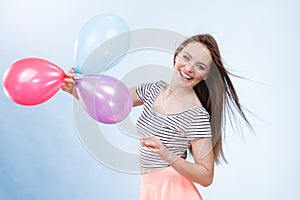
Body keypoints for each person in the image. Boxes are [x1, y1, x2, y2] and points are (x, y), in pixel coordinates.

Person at [62, 34, 252, 200]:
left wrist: (166, 154)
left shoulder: (196, 116)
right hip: (149, 187)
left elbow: (206, 175)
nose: (189, 68)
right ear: (176, 56)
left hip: (173, 190)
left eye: (200, 66)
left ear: (206, 75)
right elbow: (108, 107)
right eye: (186, 57)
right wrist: (74, 91)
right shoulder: (151, 89)